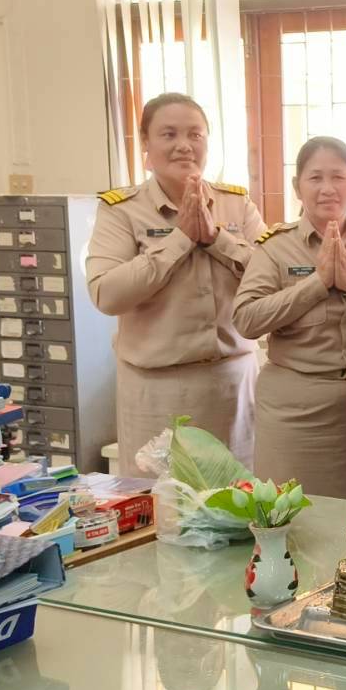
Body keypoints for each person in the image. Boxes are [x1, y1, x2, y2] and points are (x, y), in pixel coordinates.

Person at [87, 92, 265, 477]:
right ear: (146, 145)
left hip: (232, 387)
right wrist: (180, 239)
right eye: (169, 134)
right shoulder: (121, 210)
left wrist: (215, 238)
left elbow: (271, 279)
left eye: (195, 135)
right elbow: (106, 292)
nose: (184, 145)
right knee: (165, 513)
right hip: (157, 390)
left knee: (241, 505)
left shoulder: (237, 204)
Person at [232, 137, 346, 499]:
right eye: (315, 178)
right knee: (294, 524)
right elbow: (247, 318)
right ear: (298, 187)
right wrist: (317, 283)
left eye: (338, 177)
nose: (328, 189)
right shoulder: (276, 245)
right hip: (293, 414)